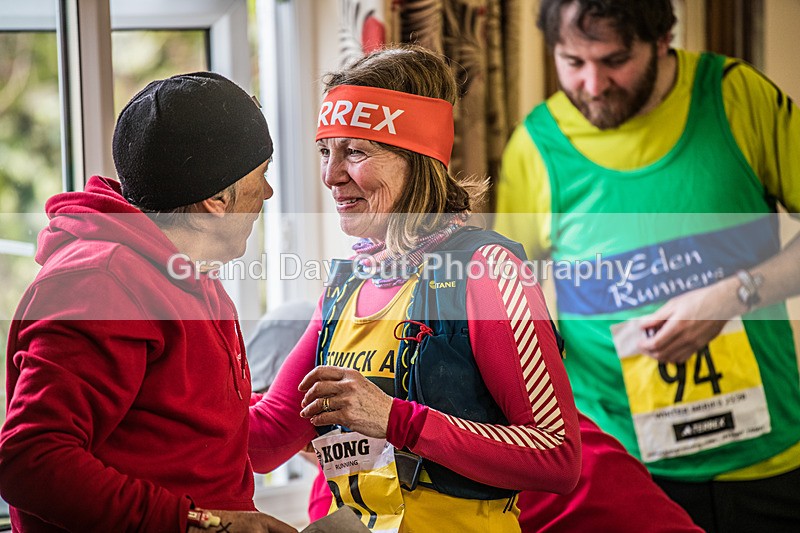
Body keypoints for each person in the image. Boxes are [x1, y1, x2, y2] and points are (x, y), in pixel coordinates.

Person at [249, 44, 582, 532]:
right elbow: (266, 440)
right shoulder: (346, 285)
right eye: (326, 150)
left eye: (355, 151)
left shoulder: (487, 271)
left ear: (418, 159)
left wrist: (395, 419)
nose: (330, 175)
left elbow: (558, 456)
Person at [494, 1, 800, 531]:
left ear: (662, 40)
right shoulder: (535, 145)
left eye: (614, 60)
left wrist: (732, 296)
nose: (593, 84)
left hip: (766, 459)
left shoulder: (735, 95)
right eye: (572, 62)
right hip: (619, 469)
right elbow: (500, 305)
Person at [0, 72, 295, 533]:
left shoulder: (189, 275)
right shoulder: (102, 283)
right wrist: (203, 524)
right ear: (217, 199)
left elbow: (188, 431)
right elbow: (31, 460)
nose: (268, 194)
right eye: (261, 176)